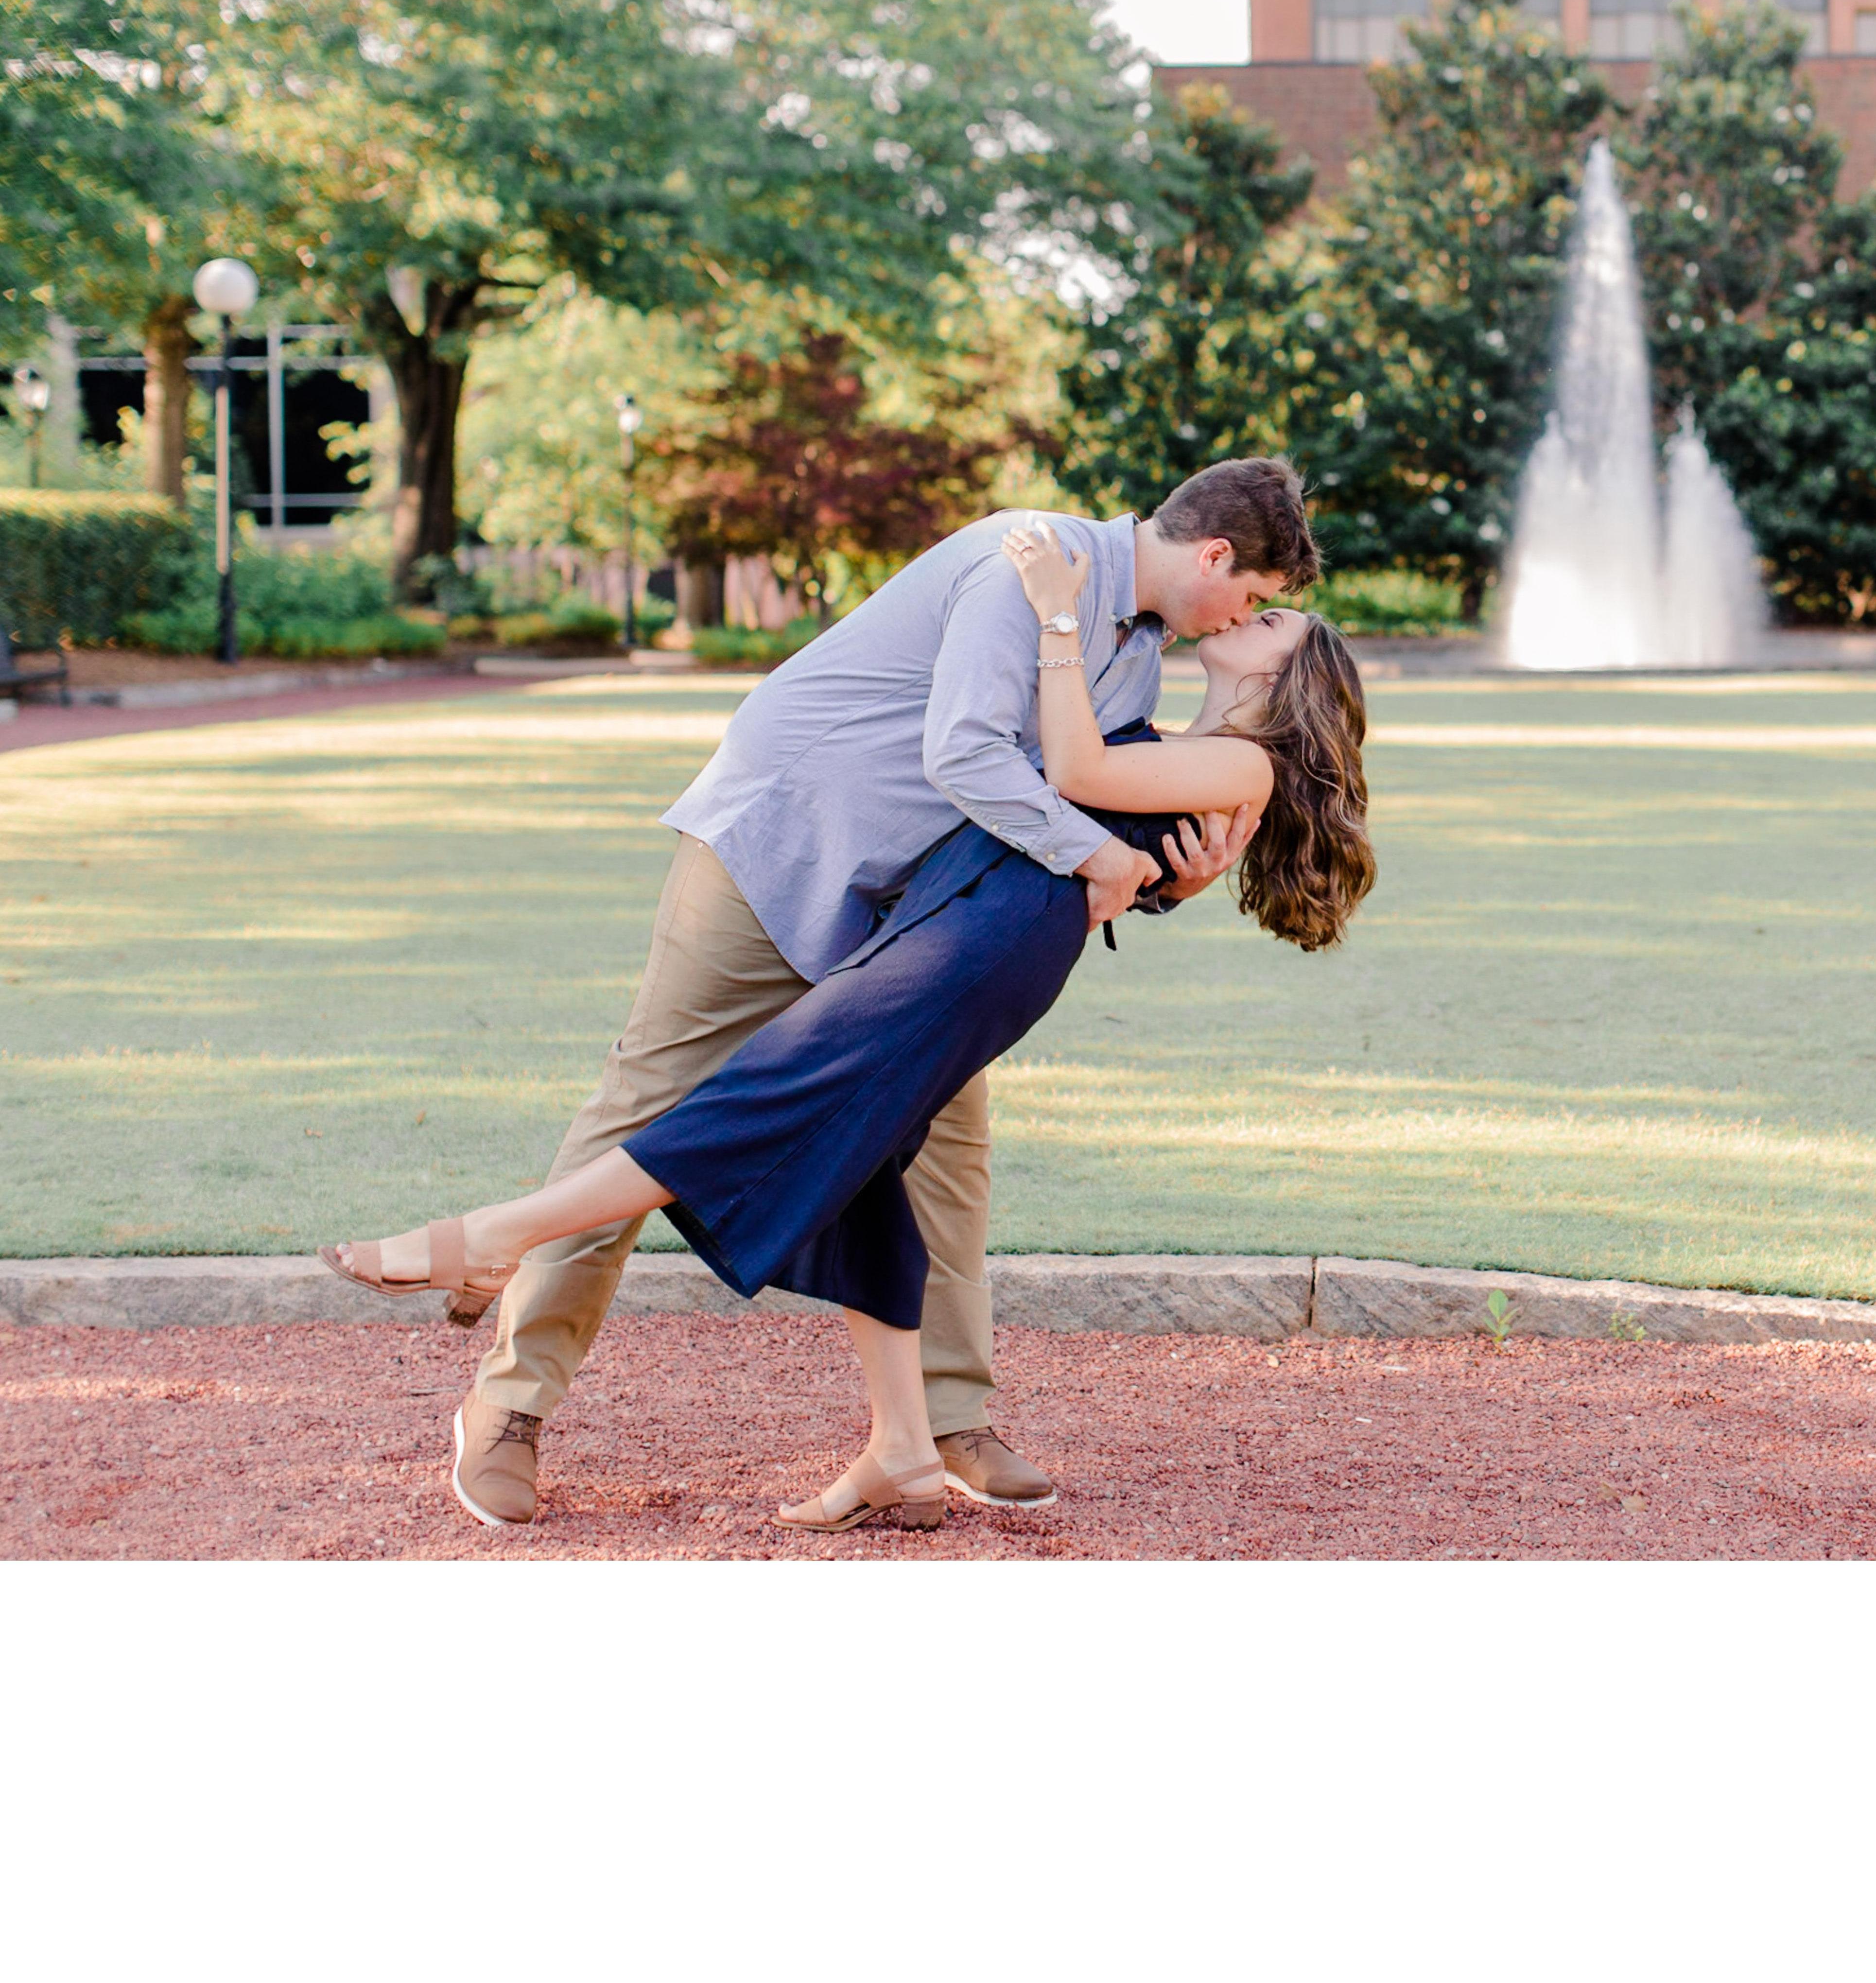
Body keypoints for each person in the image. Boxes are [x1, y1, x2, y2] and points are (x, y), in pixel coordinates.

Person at [320, 561, 1374, 1531]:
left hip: (952, 942)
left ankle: (493, 1237)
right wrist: (1148, 861)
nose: (1248, 614)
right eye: (1260, 593)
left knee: (791, 1119)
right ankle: (889, 1446)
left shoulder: (1172, 708)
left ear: (1286, 675)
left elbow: (1076, 778)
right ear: (1217, 554)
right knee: (817, 1147)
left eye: (1272, 617)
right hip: (821, 866)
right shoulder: (1045, 575)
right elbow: (1067, 792)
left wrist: (1149, 861)